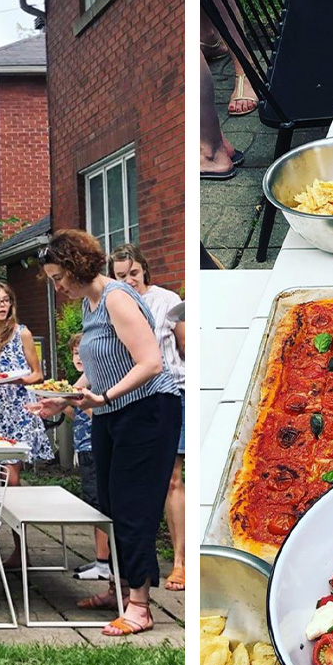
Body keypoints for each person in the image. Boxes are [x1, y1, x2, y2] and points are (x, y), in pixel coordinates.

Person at [29, 230, 180, 637]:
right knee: (109, 505)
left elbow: (150, 363)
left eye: (59, 277)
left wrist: (103, 396)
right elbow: (99, 366)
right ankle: (117, 589)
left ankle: (141, 607)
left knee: (134, 508)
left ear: (78, 267)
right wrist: (65, 398)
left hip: (148, 412)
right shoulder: (89, 303)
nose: (57, 286)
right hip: (112, 413)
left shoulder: (117, 297)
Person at [109, 244, 187, 593]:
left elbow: (186, 347)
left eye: (133, 273)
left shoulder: (166, 300)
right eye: (121, 276)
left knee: (173, 479)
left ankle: (181, 562)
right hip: (132, 400)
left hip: (172, 393)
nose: (129, 280)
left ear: (145, 270)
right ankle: (136, 567)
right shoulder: (114, 305)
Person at [0, 281, 51, 566]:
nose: (3, 305)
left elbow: (37, 374)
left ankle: (19, 547)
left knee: (10, 477)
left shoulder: (22, 333)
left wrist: (17, 378)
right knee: (0, 476)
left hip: (20, 407)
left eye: (6, 300)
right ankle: (8, 541)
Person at [64, 333, 110, 581]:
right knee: (93, 503)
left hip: (95, 450)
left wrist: (83, 404)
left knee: (98, 507)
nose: (79, 358)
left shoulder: (95, 386)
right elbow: (75, 416)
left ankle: (104, 563)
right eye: (75, 353)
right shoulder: (80, 384)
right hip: (84, 449)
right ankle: (100, 559)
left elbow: (97, 416)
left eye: (83, 353)